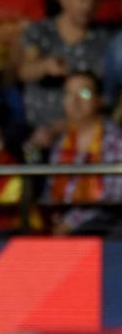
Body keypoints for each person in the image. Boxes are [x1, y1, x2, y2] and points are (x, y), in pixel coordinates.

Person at [17, 0, 108, 162]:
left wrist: (60, 128)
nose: (87, 6)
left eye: (93, 0)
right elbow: (23, 71)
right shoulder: (40, 31)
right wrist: (44, 67)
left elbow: (103, 96)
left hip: (81, 132)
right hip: (33, 130)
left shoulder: (103, 41)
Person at [43, 71, 122, 236]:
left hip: (103, 227)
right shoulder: (61, 143)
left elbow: (113, 198)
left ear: (99, 100)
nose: (75, 102)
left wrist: (70, 223)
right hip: (64, 225)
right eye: (68, 94)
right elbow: (51, 191)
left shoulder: (115, 140)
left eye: (84, 93)